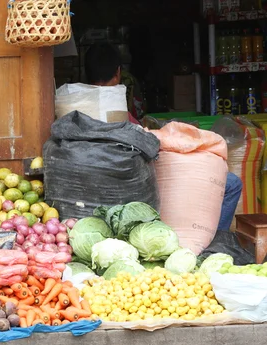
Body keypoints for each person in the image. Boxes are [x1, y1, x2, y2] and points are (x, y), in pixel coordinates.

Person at [84, 42, 243, 231]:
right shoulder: (117, 111)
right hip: (133, 181)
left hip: (100, 183)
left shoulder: (75, 109)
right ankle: (212, 243)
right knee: (232, 183)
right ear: (118, 72)